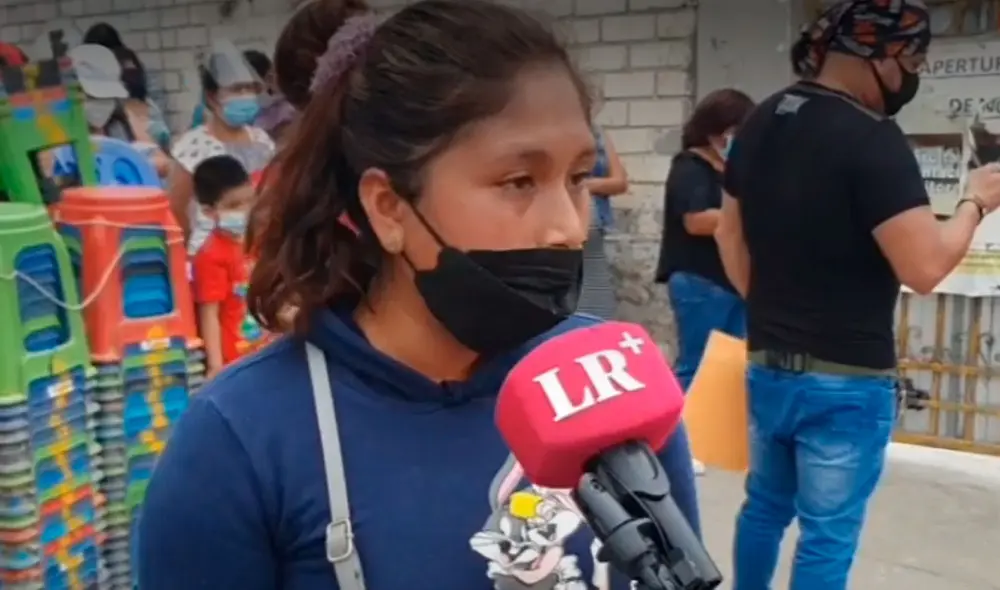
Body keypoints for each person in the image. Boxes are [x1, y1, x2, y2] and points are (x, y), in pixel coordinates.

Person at [137, 1, 701, 588]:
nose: (568, 228)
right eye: (518, 182)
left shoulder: (612, 386)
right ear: (388, 207)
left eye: (578, 178)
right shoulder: (239, 441)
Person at [716, 2, 1000, 589]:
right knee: (827, 534)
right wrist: (974, 202)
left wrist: (768, 310)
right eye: (914, 59)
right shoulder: (873, 139)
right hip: (845, 383)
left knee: (764, 507)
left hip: (768, 365)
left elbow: (728, 231)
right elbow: (924, 267)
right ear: (883, 55)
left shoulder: (760, 121)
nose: (913, 74)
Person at [655, 88, 754, 475]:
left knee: (731, 366)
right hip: (699, 281)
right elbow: (696, 220)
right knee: (694, 364)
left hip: (732, 280)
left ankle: (715, 438)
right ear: (715, 131)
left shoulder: (729, 170)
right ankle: (676, 444)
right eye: (735, 130)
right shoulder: (689, 167)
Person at [168, 40, 275, 255]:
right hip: (208, 256)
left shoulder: (263, 142)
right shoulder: (191, 147)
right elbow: (176, 213)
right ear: (212, 96)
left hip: (254, 254)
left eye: (249, 89)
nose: (245, 96)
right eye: (236, 89)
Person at [191, 155, 266, 377]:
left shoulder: (260, 240)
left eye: (249, 200)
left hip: (268, 351)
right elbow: (210, 314)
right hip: (236, 361)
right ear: (208, 211)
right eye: (234, 205)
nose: (245, 210)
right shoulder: (210, 256)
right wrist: (215, 366)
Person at [576, 125, 628, 318]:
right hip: (561, 226)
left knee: (595, 296)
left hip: (595, 226)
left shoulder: (597, 133)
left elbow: (620, 182)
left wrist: (584, 185)